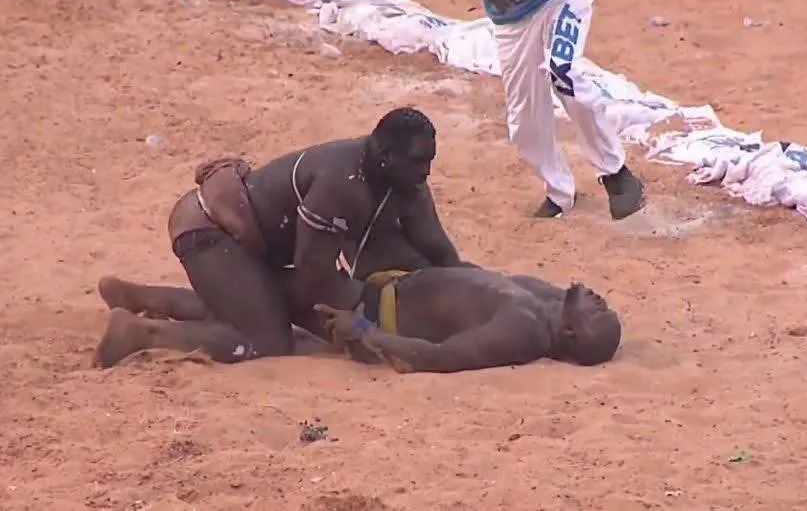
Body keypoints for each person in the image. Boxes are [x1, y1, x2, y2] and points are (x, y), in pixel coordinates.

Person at [91, 106, 464, 368]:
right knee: (266, 340)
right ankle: (143, 331)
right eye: (418, 161)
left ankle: (143, 297)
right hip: (211, 230)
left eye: (430, 160)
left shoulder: (406, 183)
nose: (426, 171)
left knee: (261, 301)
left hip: (258, 246)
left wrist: (475, 290)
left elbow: (439, 251)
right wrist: (366, 326)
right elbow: (312, 273)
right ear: (385, 155)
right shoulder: (342, 184)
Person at [94, 266, 622, 373]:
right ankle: (148, 297)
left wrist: (365, 332)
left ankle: (148, 329)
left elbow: (442, 357)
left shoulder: (525, 330)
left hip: (374, 315)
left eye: (601, 315)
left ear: (571, 335)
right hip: (383, 287)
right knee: (259, 296)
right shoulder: (548, 299)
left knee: (268, 328)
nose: (602, 299)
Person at [474, 0, 646, 219]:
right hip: (512, 18)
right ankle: (559, 192)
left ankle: (616, 173)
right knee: (524, 123)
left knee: (564, 71)